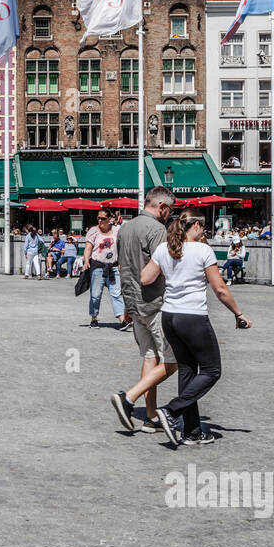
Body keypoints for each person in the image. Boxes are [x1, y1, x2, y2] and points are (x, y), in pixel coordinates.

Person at [139, 212, 250, 446]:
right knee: (212, 370)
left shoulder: (164, 248)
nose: (205, 232)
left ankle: (192, 432)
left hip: (169, 316)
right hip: (193, 316)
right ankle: (171, 411)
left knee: (187, 371)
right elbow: (219, 288)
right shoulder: (203, 251)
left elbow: (146, 278)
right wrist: (238, 313)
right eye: (204, 228)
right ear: (197, 225)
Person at [112, 186, 178, 434]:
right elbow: (164, 265)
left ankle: (150, 417)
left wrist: (127, 304)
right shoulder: (157, 229)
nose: (169, 216)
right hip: (156, 301)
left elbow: (122, 267)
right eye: (169, 210)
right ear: (161, 206)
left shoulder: (125, 227)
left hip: (133, 302)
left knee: (150, 357)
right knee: (174, 360)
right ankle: (129, 398)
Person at [84, 211, 126, 329]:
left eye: (103, 218)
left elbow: (121, 247)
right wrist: (86, 261)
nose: (100, 221)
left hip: (113, 266)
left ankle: (122, 320)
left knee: (116, 293)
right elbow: (88, 248)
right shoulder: (94, 231)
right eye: (98, 218)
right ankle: (94, 318)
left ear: (109, 219)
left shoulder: (117, 230)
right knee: (95, 295)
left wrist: (122, 262)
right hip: (98, 266)